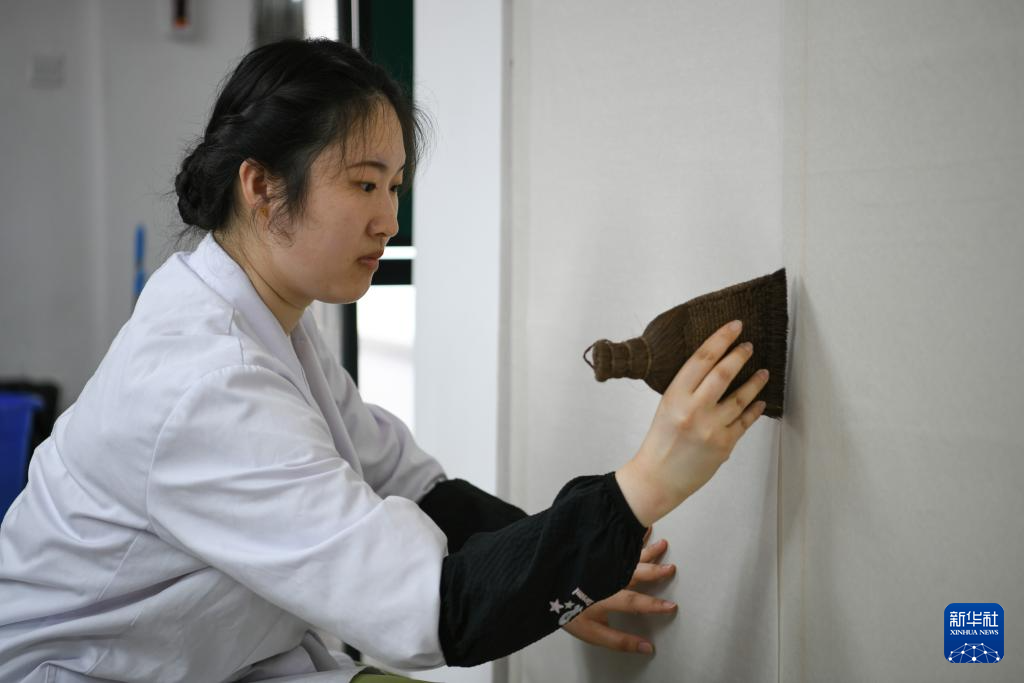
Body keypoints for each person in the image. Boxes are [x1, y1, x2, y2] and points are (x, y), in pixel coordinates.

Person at [0, 38, 769, 682]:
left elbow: (412, 485)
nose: (389, 219)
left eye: (395, 186)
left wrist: (566, 567)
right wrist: (644, 484)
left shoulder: (268, 323)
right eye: (365, 184)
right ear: (262, 187)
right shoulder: (205, 381)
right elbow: (431, 608)